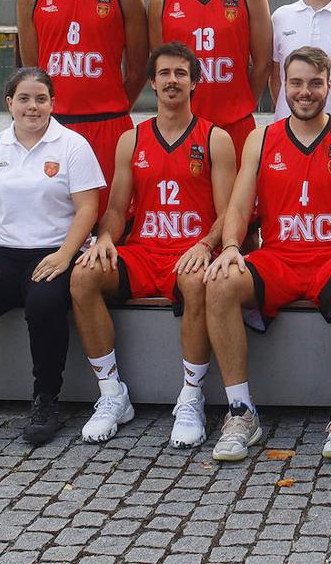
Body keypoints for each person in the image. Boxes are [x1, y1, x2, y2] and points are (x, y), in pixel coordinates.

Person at [203, 46, 331, 462]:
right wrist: (230, 246)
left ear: (329, 86)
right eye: (297, 83)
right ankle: (241, 411)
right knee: (220, 281)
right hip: (279, 256)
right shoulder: (261, 138)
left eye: (315, 83)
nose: (305, 92)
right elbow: (239, 206)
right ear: (283, 85)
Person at [69, 42, 236, 447]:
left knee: (198, 282)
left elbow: (229, 213)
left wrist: (206, 243)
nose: (172, 80)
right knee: (82, 276)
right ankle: (112, 394)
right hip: (144, 250)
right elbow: (115, 209)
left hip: (190, 250)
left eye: (181, 73)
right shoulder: (132, 139)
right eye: (165, 73)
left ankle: (191, 395)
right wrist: (105, 238)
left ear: (196, 81)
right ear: (152, 82)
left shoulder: (215, 139)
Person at [0, 68, 104, 452]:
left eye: (41, 99)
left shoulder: (71, 146)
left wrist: (65, 255)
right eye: (24, 99)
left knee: (44, 305)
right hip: (3, 253)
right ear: (10, 103)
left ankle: (46, 403)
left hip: (54, 251)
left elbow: (87, 208)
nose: (33, 107)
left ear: (52, 103)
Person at [16, 0, 149, 212]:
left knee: (112, 221)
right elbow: (32, 71)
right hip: (54, 125)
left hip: (109, 126)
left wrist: (113, 108)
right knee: (51, 219)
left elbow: (138, 68)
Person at [149, 0, 272, 160]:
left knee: (237, 201)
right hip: (182, 126)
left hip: (235, 124)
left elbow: (262, 63)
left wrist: (242, 103)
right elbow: (159, 64)